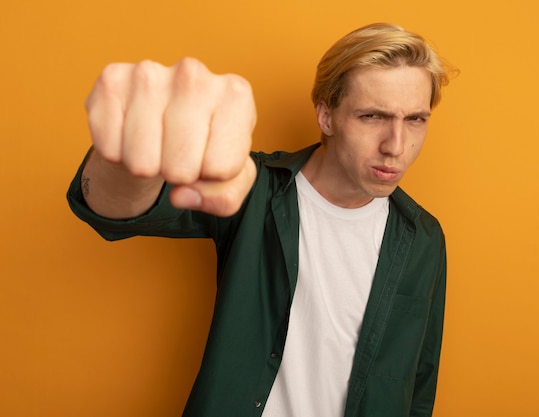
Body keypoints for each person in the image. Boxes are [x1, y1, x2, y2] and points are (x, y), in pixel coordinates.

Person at [67, 22, 452, 417]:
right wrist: (131, 151)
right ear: (326, 116)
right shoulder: (250, 187)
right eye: (372, 116)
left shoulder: (422, 236)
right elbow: (110, 209)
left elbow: (419, 382)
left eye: (416, 120)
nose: (396, 146)